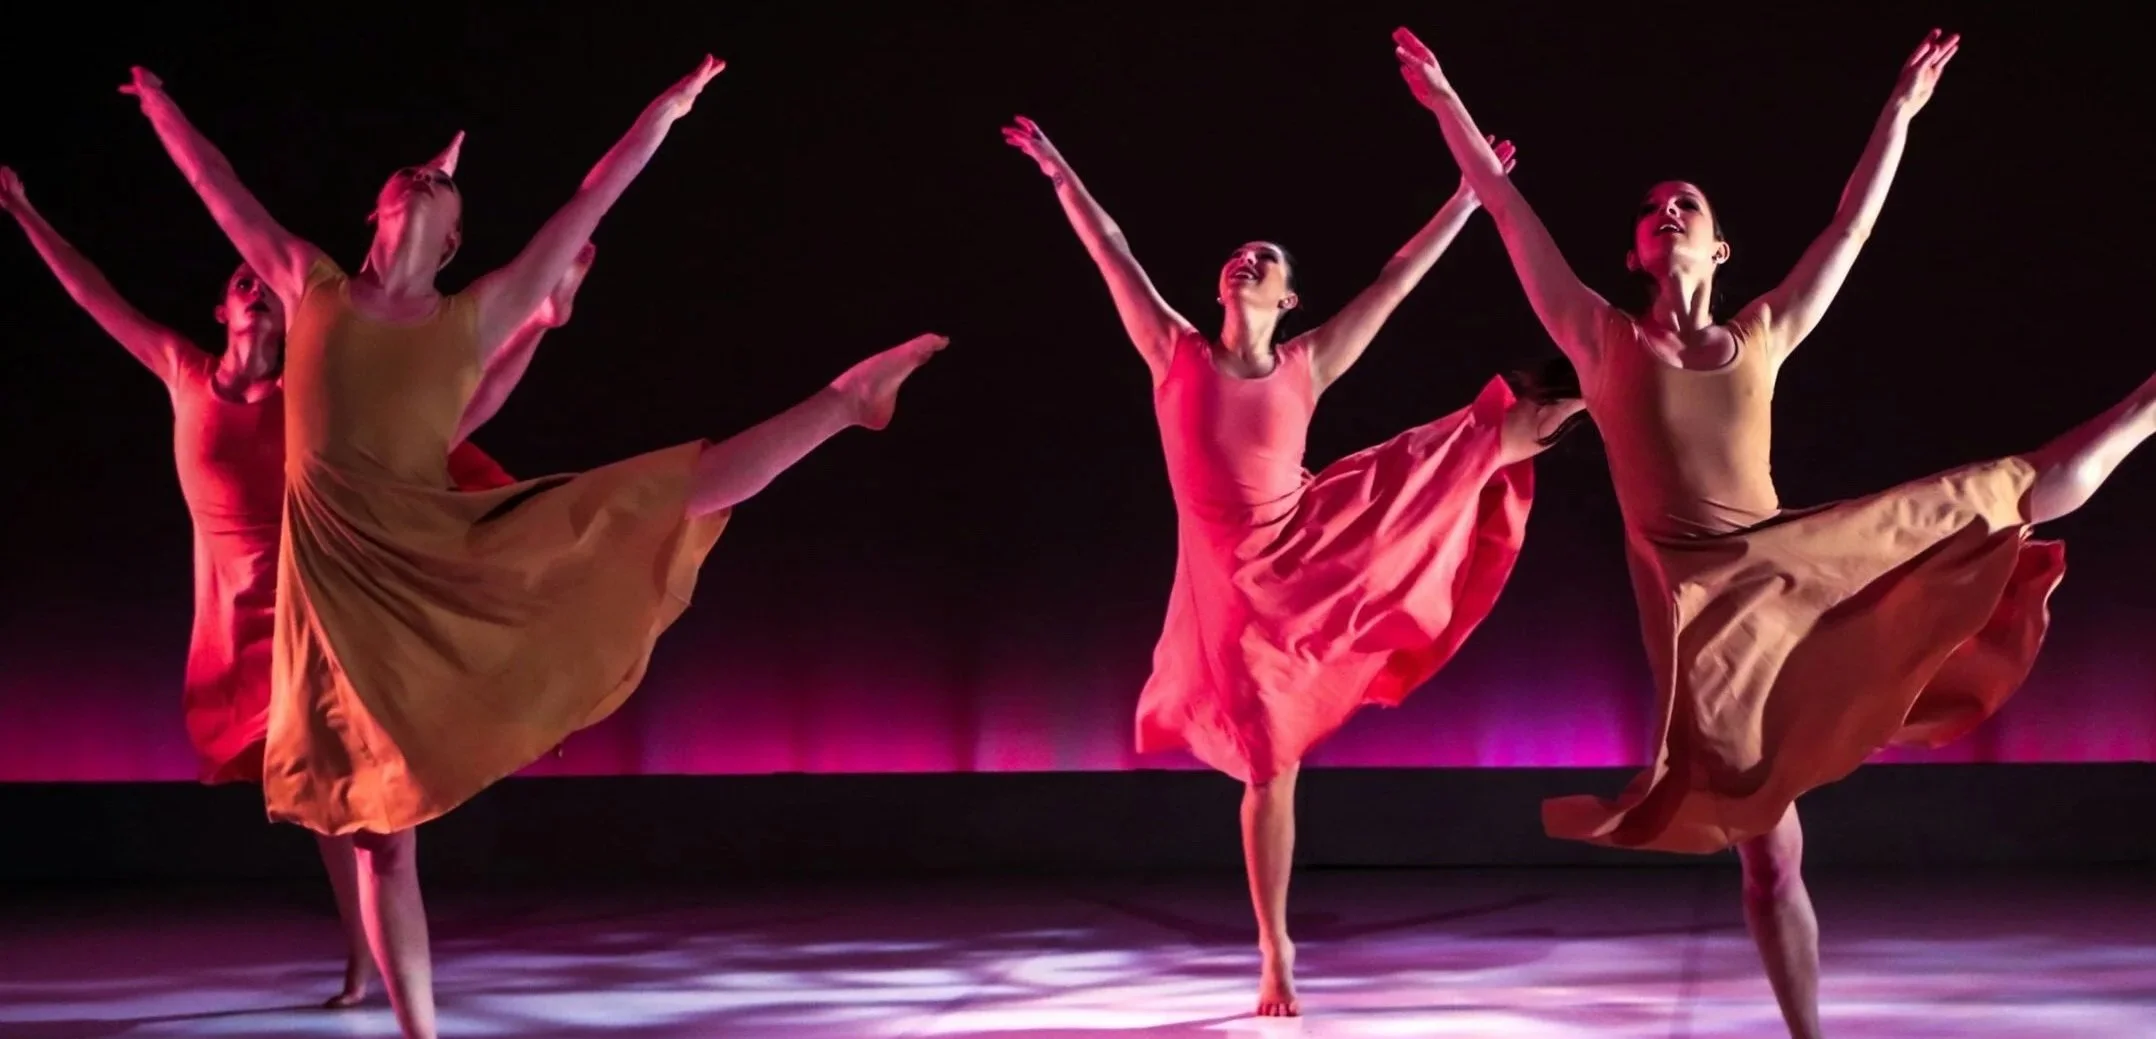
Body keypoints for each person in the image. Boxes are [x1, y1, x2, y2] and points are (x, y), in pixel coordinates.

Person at [122, 55, 944, 1039]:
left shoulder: (477, 312)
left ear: (455, 240)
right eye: (407, 177)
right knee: (384, 840)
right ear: (377, 212)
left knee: (654, 496)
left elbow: (593, 196)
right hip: (337, 597)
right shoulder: (311, 285)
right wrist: (162, 106)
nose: (423, 180)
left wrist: (664, 112)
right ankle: (419, 1029)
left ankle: (846, 401)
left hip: (438, 556)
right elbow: (216, 184)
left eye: (442, 186)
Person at [1395, 26, 2156, 1037]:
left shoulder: (1758, 332)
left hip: (1786, 571)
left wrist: (1897, 112)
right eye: (1650, 210)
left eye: (1687, 205)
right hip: (1702, 623)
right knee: (1769, 858)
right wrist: (1445, 101)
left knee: (1993, 490)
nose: (1667, 213)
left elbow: (1847, 230)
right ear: (1633, 253)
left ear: (1716, 249)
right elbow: (1502, 205)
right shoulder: (1597, 337)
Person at [1004, 115, 1586, 1018]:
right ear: (1221, 285)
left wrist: (1466, 200)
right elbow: (1112, 250)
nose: (1248, 262)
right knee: (1267, 763)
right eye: (1239, 256)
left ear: (1288, 297)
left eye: (1265, 260)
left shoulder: (1306, 363)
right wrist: (1058, 171)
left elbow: (1395, 280)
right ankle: (1274, 944)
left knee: (1458, 450)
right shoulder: (1173, 352)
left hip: (1306, 547)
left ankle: (1601, 390)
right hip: (1225, 588)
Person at [0, 161, 584, 1010]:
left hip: (329, 614)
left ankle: (391, 980)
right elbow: (96, 297)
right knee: (321, 806)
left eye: (265, 287)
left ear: (286, 313)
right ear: (219, 310)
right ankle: (361, 956)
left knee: (368, 812)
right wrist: (24, 213)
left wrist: (525, 320)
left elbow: (451, 403)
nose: (253, 285)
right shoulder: (182, 373)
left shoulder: (309, 393)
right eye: (238, 281)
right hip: (243, 630)